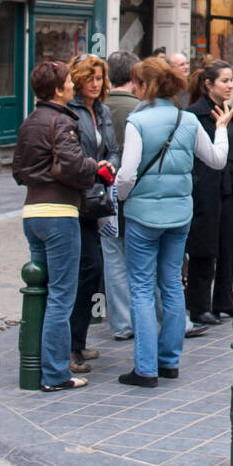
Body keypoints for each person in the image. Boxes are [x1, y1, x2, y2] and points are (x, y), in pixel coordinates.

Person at [114, 56, 233, 387]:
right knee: (170, 282)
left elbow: (127, 174)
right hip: (180, 215)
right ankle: (169, 361)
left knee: (140, 286)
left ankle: (146, 367)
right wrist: (220, 131)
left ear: (144, 86)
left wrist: (121, 197)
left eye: (137, 84)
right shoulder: (188, 120)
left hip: (142, 216)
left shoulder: (137, 122)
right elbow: (217, 160)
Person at [12, 60, 105, 391]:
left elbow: (19, 170)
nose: (72, 84)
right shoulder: (63, 122)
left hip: (32, 211)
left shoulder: (29, 121)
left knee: (43, 290)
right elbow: (74, 166)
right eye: (68, 81)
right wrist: (96, 167)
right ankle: (54, 373)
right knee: (62, 296)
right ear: (57, 89)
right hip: (59, 212)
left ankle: (34, 364)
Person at [185, 60, 233, 325]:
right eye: (224, 81)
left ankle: (224, 300)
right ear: (207, 84)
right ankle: (199, 306)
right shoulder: (195, 115)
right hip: (206, 190)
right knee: (204, 248)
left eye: (231, 80)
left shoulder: (229, 111)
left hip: (230, 187)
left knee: (231, 244)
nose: (229, 85)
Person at [67, 54, 117, 374]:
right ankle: (70, 346)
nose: (96, 84)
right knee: (86, 269)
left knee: (92, 270)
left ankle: (79, 341)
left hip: (97, 197)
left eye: (99, 78)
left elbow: (111, 148)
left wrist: (110, 164)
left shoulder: (103, 111)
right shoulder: (70, 112)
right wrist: (92, 168)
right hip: (77, 198)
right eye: (90, 78)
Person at [103, 51, 140, 341]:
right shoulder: (140, 110)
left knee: (113, 256)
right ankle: (145, 316)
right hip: (137, 193)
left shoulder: (98, 107)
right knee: (139, 257)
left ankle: (121, 321)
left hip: (104, 192)